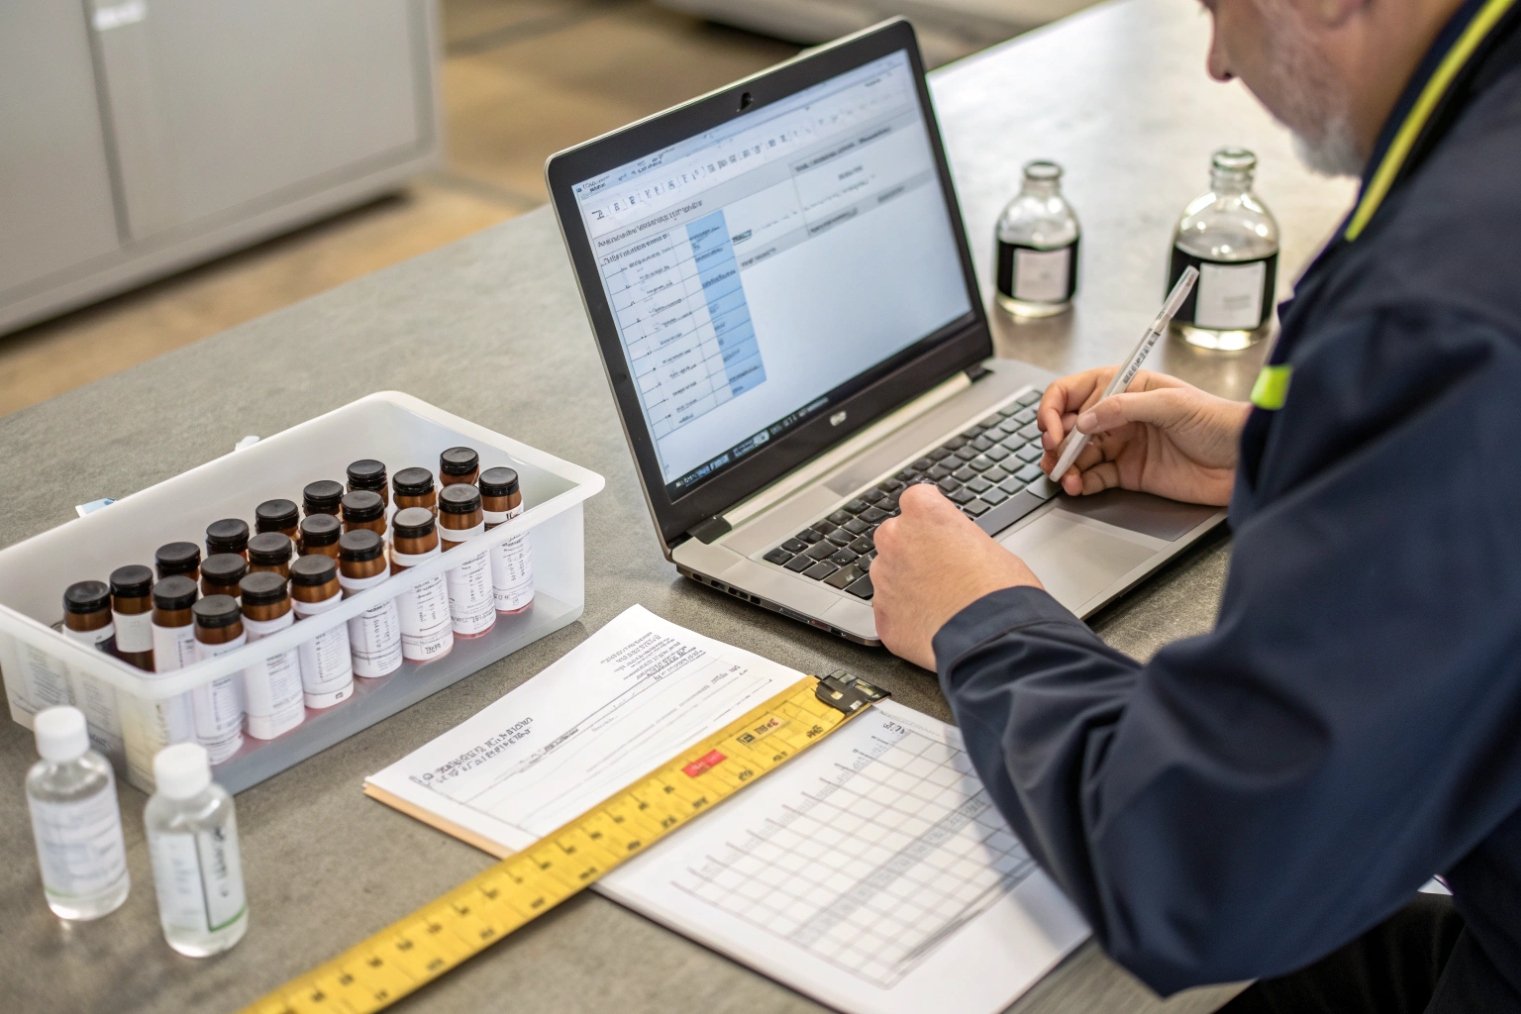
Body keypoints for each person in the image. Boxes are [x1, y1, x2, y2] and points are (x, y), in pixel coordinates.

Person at [869, 0, 1521, 1010]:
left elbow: (1209, 864)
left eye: (1218, 9)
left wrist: (982, 620)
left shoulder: (1441, 305)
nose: (1215, 63)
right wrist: (1300, 454)